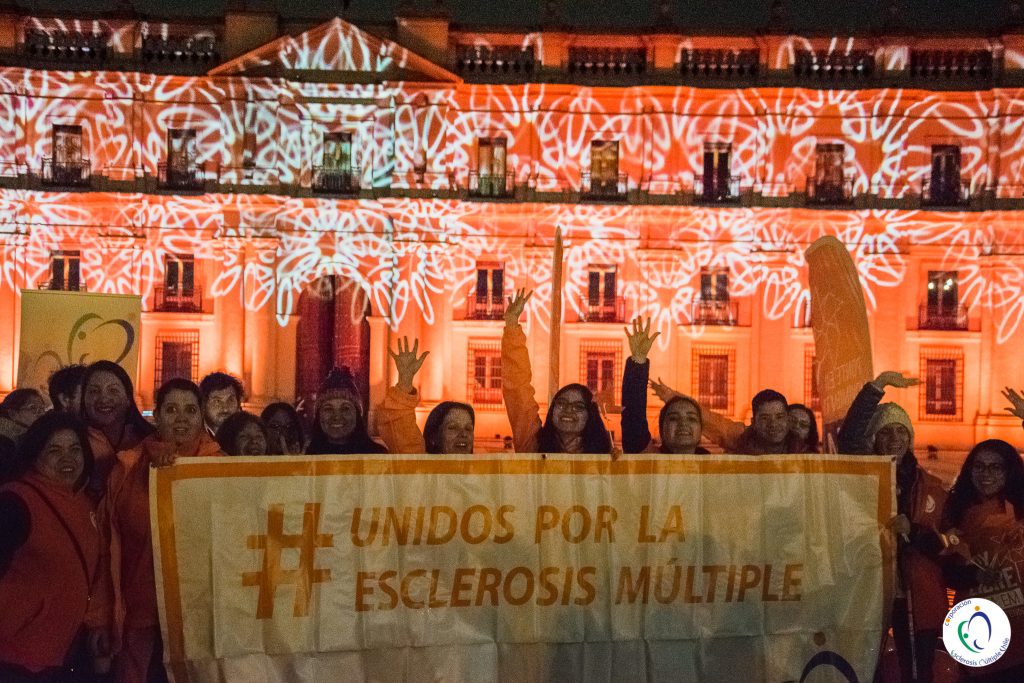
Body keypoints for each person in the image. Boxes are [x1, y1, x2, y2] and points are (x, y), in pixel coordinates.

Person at [94, 378, 224, 683]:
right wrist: (100, 617)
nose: (181, 418)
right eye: (172, 409)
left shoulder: (221, 469)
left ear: (201, 416)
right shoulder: (127, 468)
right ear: (157, 415)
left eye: (190, 410)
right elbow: (104, 545)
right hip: (141, 613)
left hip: (200, 617)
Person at [838, 370, 947, 683]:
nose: (895, 438)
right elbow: (849, 437)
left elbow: (946, 540)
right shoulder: (865, 473)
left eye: (902, 431)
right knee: (865, 666)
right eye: (886, 432)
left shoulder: (931, 485)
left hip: (914, 594)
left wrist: (912, 530)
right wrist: (877, 386)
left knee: (917, 669)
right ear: (875, 439)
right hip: (870, 587)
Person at [0, 412, 102, 682]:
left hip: (60, 652)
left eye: (75, 449)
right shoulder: (15, 502)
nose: (67, 458)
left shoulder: (82, 501)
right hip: (16, 656)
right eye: (54, 450)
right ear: (35, 454)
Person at [940, 440, 1024, 681]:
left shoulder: (1020, 506)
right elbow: (948, 574)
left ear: (1009, 471)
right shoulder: (955, 511)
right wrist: (975, 575)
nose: (986, 474)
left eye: (995, 467)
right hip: (979, 631)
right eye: (979, 466)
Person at [501, 289, 612, 454]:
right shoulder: (533, 445)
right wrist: (512, 328)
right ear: (552, 410)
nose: (568, 410)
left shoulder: (603, 458)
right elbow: (517, 389)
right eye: (561, 404)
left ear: (591, 416)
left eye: (578, 406)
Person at [620, 317, 708, 455]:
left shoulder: (721, 470)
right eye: (673, 418)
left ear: (701, 431)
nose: (683, 424)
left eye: (691, 418)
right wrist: (638, 362)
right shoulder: (650, 461)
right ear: (661, 430)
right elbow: (633, 423)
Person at [79, 361, 154, 502]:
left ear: (127, 399)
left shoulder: (149, 441)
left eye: (113, 390)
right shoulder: (74, 442)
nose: (104, 398)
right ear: (84, 399)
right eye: (94, 391)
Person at [305, 367, 387, 455]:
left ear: (357, 415)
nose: (336, 416)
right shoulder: (305, 459)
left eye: (345, 409)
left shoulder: (378, 455)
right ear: (318, 415)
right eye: (328, 409)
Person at [198, 372, 243, 438]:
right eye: (217, 401)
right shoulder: (192, 438)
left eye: (230, 400)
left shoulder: (247, 436)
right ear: (203, 405)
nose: (225, 408)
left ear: (238, 404)